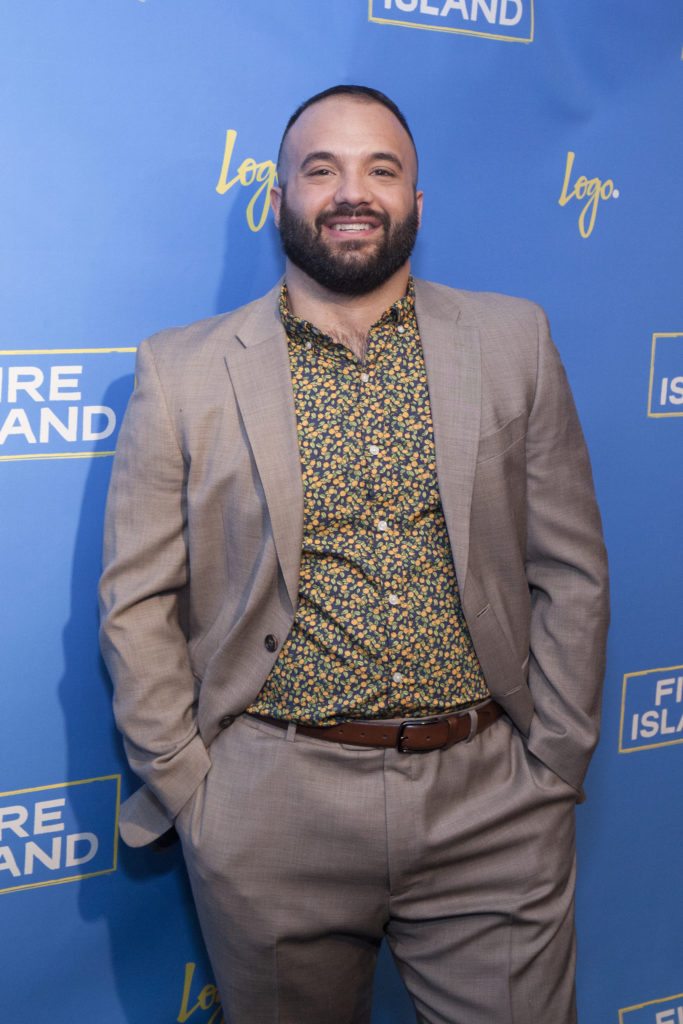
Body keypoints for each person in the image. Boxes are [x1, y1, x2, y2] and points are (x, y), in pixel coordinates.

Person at [99, 84, 609, 1024]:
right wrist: (193, 789)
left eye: (382, 168)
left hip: (491, 801)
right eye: (320, 168)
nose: (352, 190)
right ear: (282, 196)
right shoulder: (181, 370)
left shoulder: (513, 341)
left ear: (418, 200)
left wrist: (554, 760)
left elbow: (570, 569)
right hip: (271, 809)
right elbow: (137, 603)